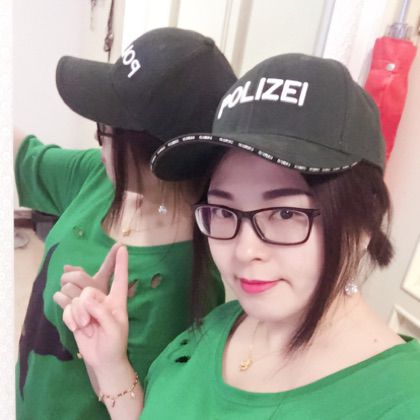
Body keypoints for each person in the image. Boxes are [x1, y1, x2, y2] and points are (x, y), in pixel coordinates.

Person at [62, 54, 420, 419]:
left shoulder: (402, 403)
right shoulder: (221, 324)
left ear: (365, 220)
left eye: (285, 213)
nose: (244, 251)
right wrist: (110, 364)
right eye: (223, 210)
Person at [14, 27, 236, 419]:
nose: (98, 141)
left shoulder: (185, 282)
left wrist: (101, 350)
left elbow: (151, 409)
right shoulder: (99, 177)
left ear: (150, 152)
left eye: (106, 130)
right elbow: (24, 157)